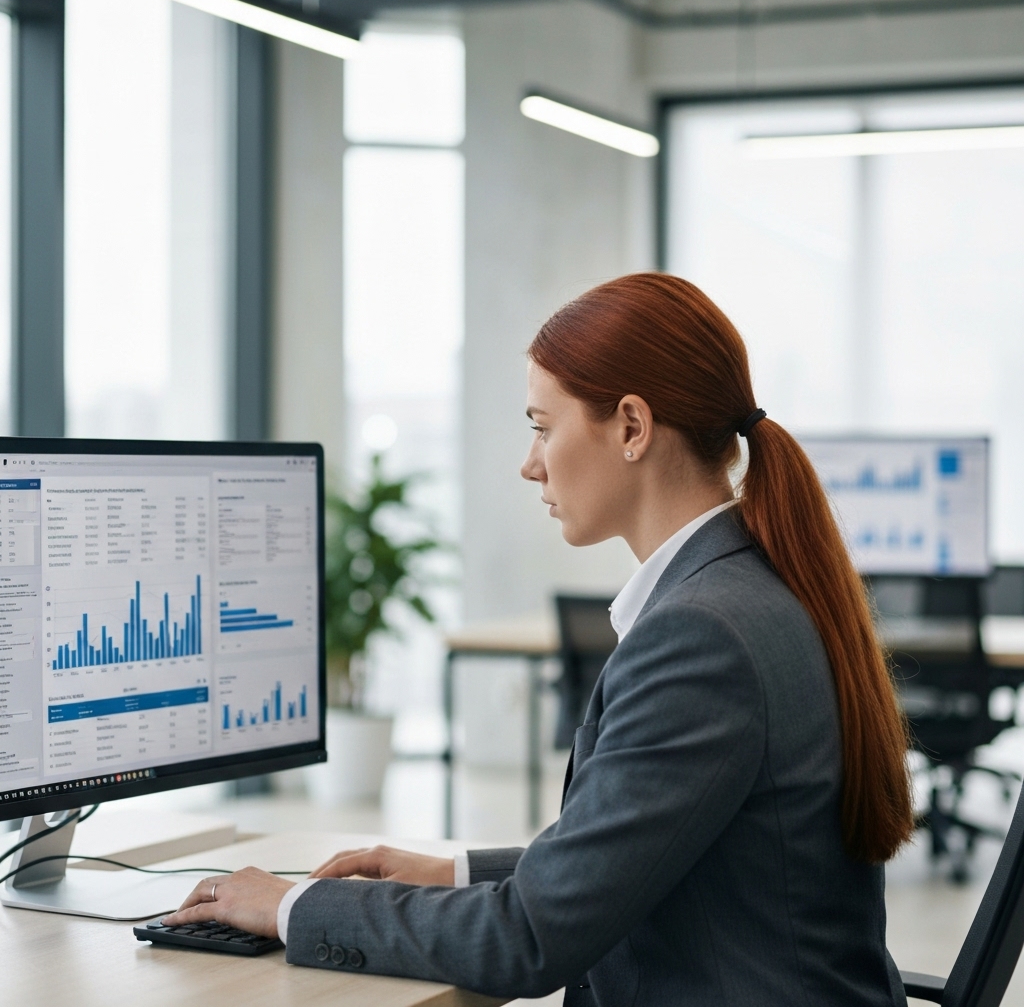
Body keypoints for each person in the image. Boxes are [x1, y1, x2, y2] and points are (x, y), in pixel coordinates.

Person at [165, 273, 914, 1006]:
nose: (530, 465)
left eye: (542, 427)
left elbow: (527, 941)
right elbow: (632, 852)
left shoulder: (700, 634)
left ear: (631, 426)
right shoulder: (754, 584)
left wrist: (291, 908)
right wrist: (449, 872)